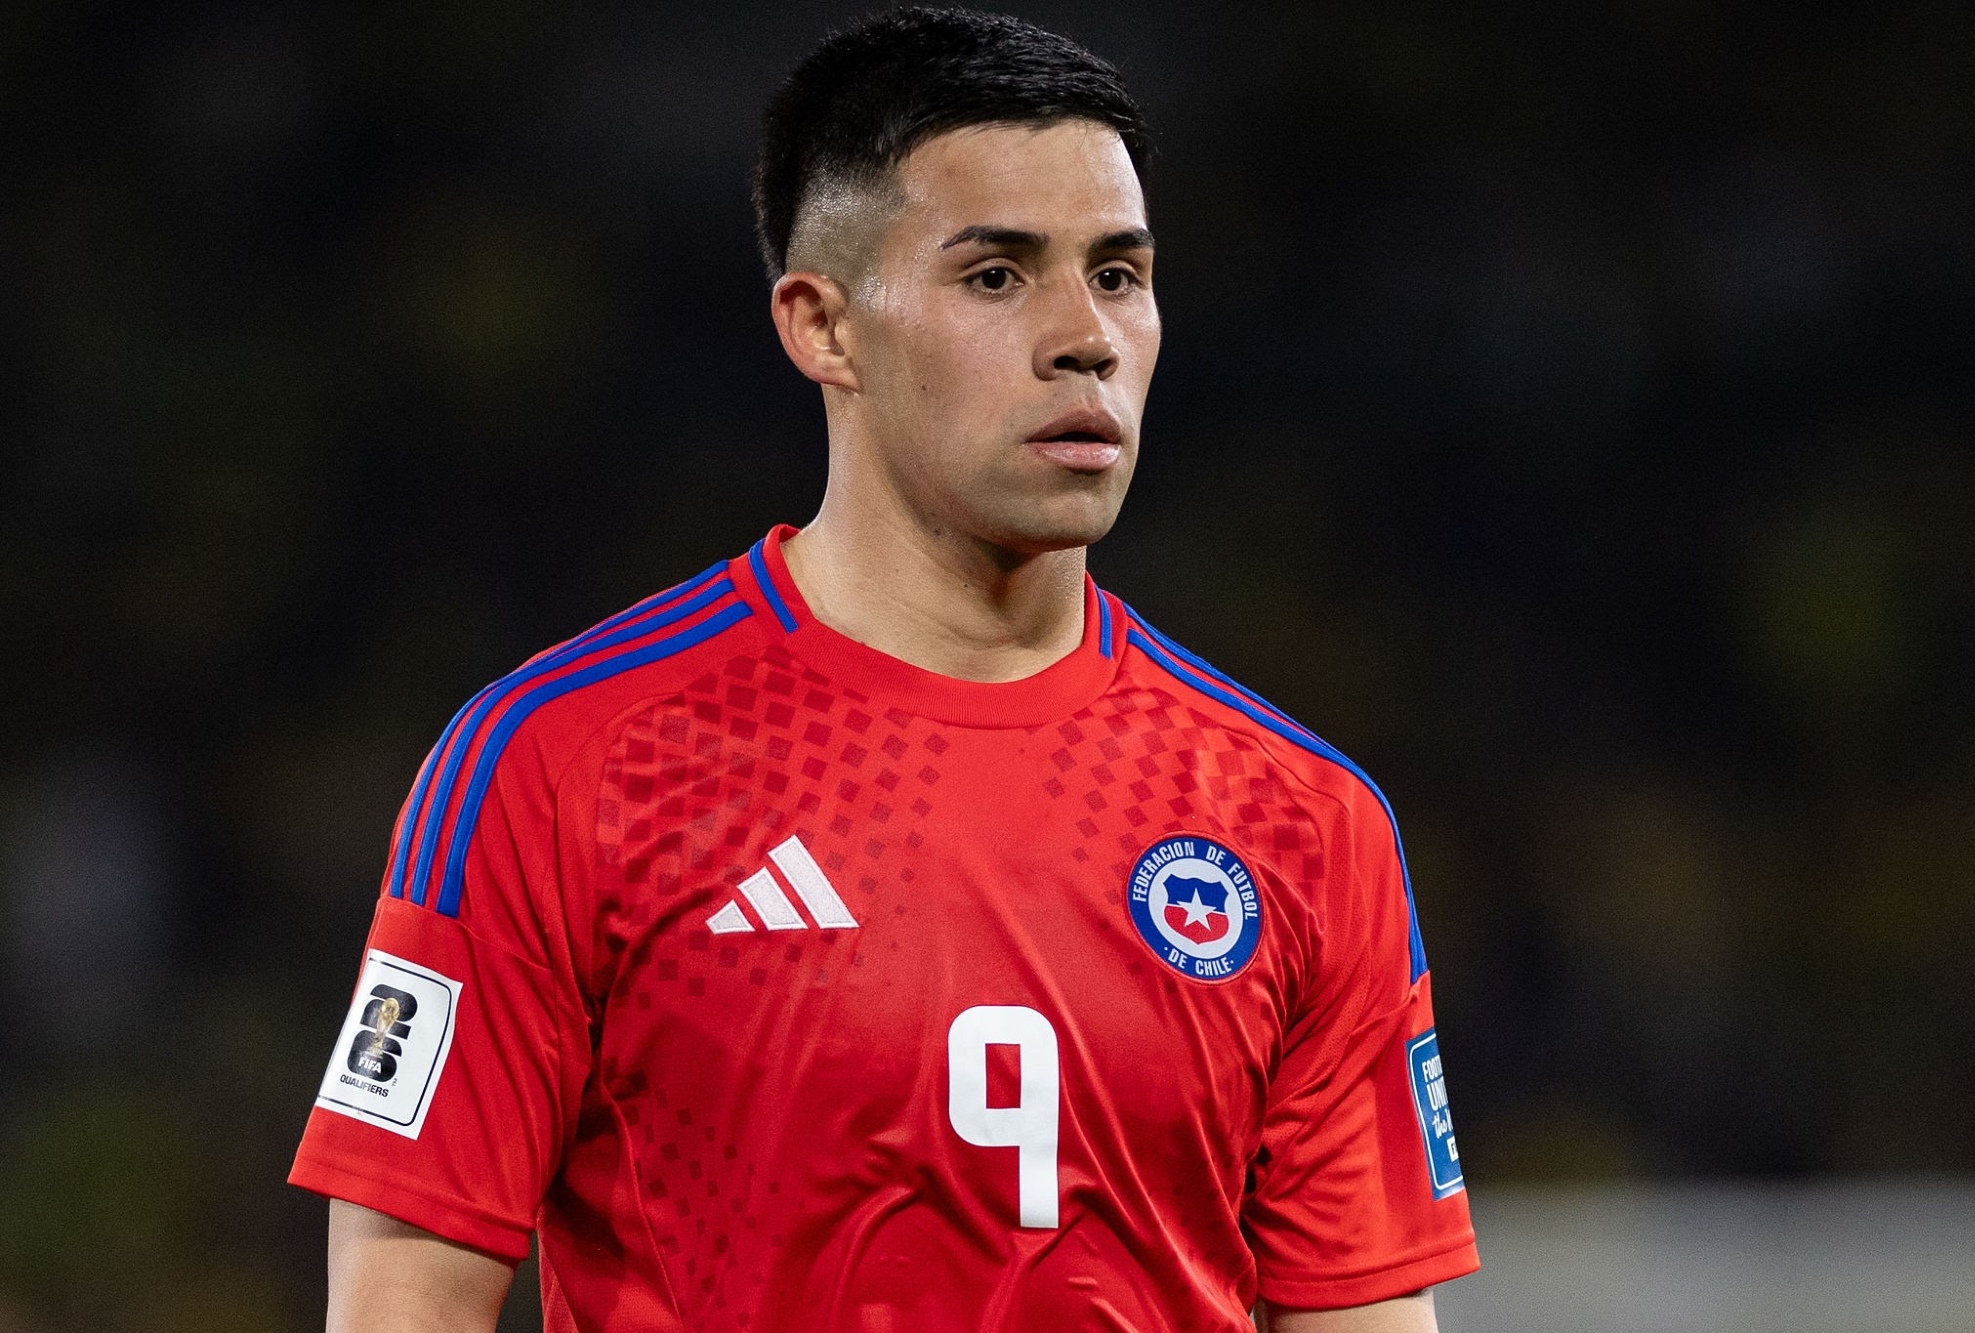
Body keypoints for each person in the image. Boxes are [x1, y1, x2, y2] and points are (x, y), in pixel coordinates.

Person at [290, 9, 1478, 1330]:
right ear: (824, 326)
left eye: (1119, 273)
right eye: (997, 276)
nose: (1085, 335)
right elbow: (405, 1303)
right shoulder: (563, 763)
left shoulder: (1303, 818)